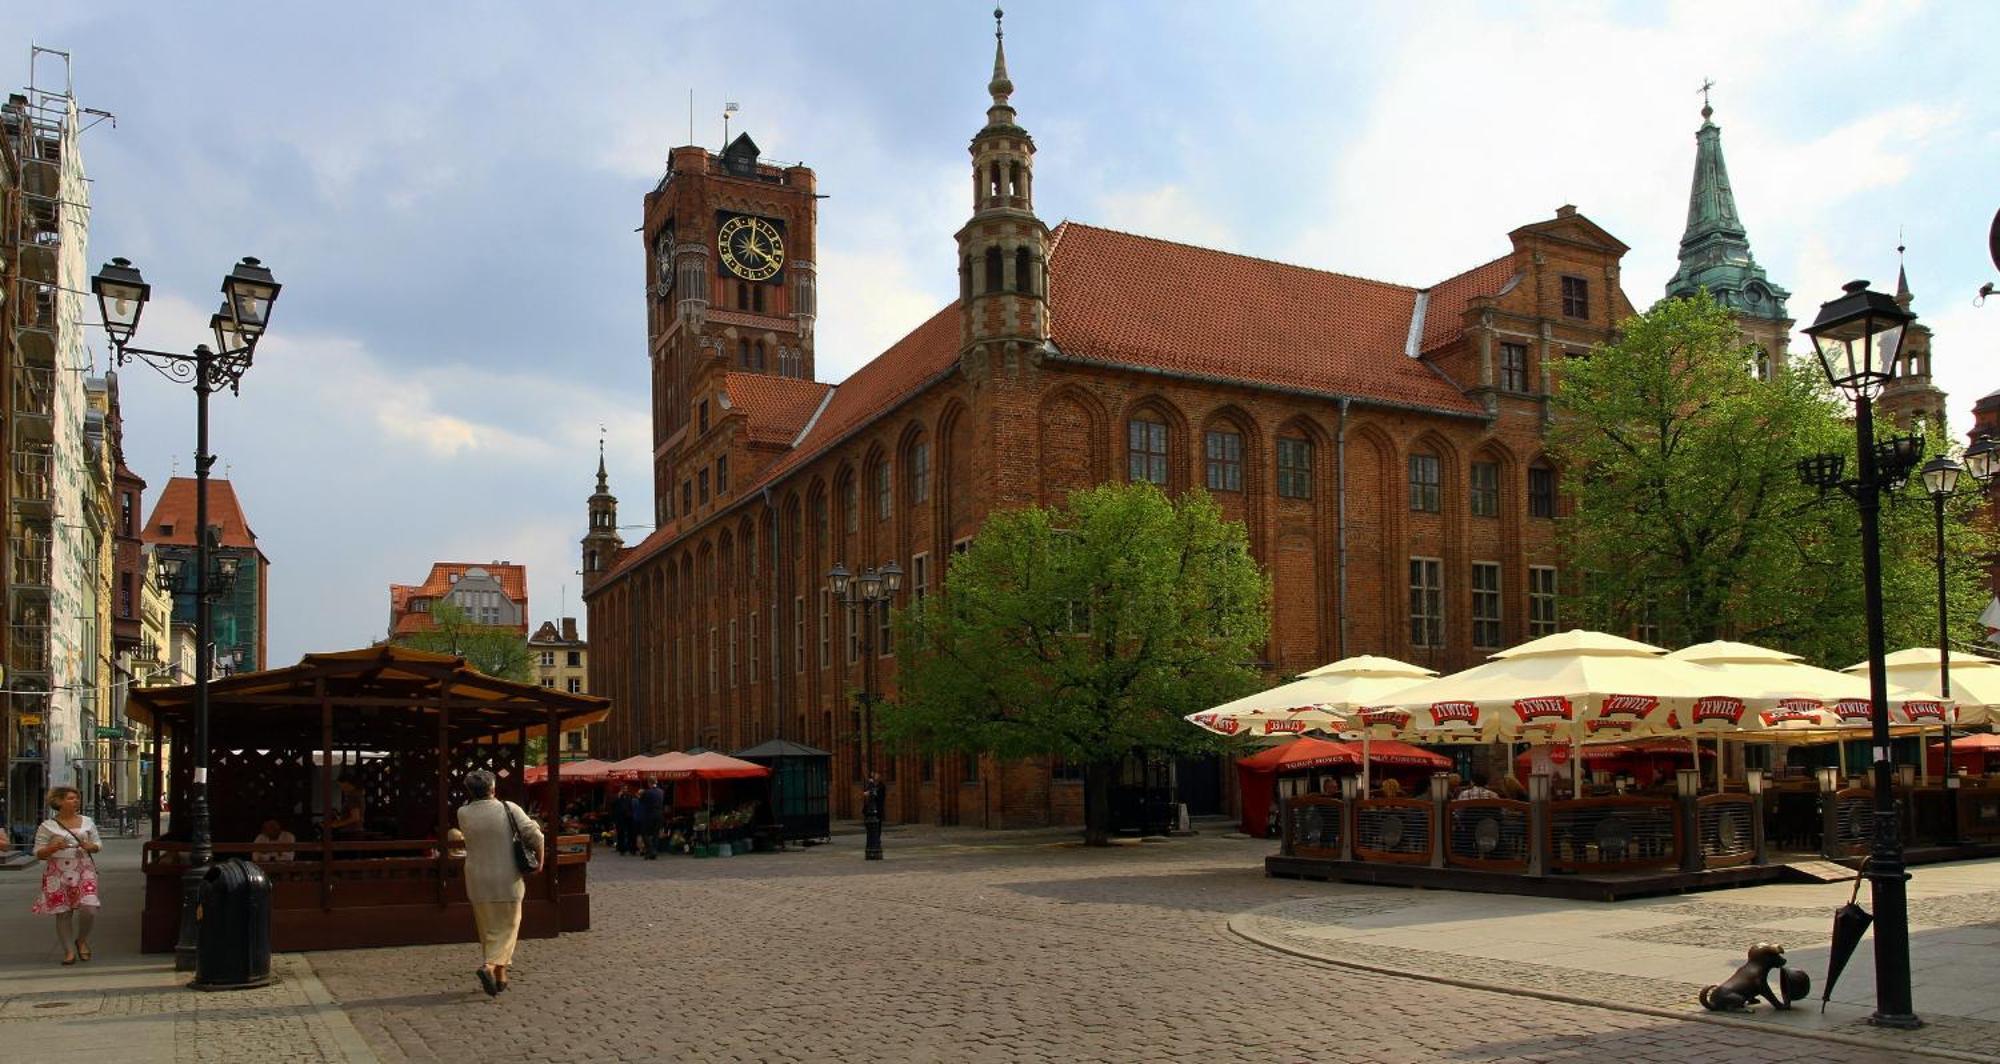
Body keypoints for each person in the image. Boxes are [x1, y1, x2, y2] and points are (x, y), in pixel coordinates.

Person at [456, 769, 543, 997]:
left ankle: (500, 976)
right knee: (508, 927)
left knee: (488, 928)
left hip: (476, 879)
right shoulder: (509, 808)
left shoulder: (463, 813)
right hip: (507, 877)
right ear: (493, 788)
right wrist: (540, 860)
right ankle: (490, 966)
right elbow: (535, 835)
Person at [31, 785, 102, 965]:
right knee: (63, 912)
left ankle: (82, 939)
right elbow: (38, 852)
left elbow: (97, 844)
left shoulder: (87, 822)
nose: (75, 801)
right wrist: (53, 847)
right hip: (58, 871)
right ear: (59, 802)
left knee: (89, 907)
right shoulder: (47, 826)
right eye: (71, 798)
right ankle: (69, 951)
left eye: (76, 798)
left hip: (83, 869)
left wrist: (90, 846)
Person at [638, 778, 666, 860]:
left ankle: (651, 850)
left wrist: (640, 794)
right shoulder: (661, 792)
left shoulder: (647, 792)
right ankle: (653, 852)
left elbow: (641, 801)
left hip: (650, 815)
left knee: (644, 833)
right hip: (659, 814)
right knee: (655, 834)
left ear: (649, 783)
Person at [612, 783, 638, 856]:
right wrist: (618, 797)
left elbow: (631, 805)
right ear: (621, 789)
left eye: (626, 788)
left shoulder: (630, 796)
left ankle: (632, 849)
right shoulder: (617, 796)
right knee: (621, 834)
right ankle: (621, 849)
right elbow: (613, 805)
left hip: (629, 817)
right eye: (623, 789)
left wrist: (631, 813)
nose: (625, 790)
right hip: (620, 818)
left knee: (631, 834)